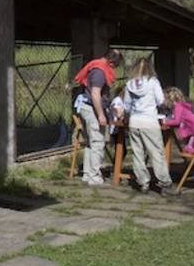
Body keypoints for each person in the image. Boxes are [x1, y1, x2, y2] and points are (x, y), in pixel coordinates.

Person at [71, 48, 123, 186]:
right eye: (115, 66)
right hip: (91, 109)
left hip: (85, 107)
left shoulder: (95, 66)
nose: (114, 70)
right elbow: (95, 94)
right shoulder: (100, 72)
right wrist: (101, 115)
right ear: (111, 63)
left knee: (90, 142)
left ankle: (88, 174)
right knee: (98, 142)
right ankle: (95, 176)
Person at [123, 58, 172, 193]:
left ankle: (143, 182)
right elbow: (160, 100)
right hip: (149, 122)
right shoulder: (153, 82)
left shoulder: (129, 84)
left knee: (138, 154)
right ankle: (164, 181)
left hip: (134, 122)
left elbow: (126, 106)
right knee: (156, 153)